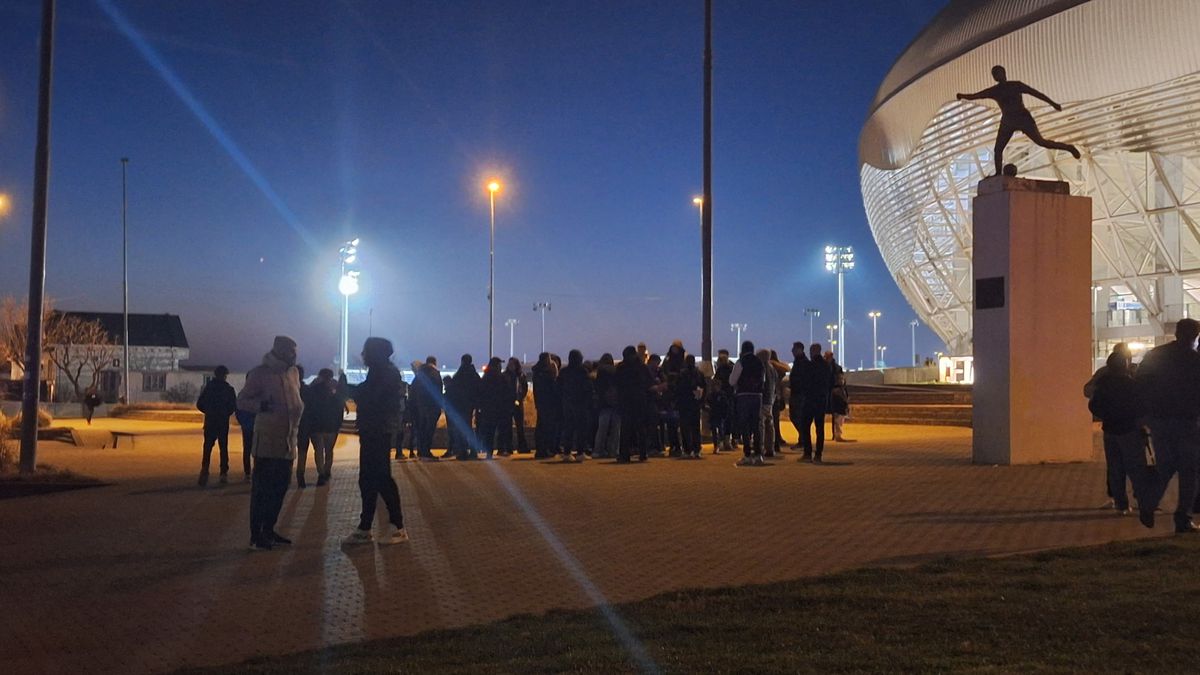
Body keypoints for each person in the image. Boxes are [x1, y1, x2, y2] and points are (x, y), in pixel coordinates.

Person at [1134, 318, 1200, 533]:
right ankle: (1183, 517)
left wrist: (1144, 414)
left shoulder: (1156, 355)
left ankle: (1149, 502)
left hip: (1159, 420)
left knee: (1166, 466)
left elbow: (1140, 383)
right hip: (1186, 420)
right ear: (1195, 335)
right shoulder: (1194, 360)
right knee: (1189, 471)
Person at [237, 336, 303, 551]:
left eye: (296, 351)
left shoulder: (293, 373)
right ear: (280, 351)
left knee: (280, 489)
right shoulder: (260, 373)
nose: (295, 355)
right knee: (262, 491)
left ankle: (270, 529)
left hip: (288, 441)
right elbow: (242, 400)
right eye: (292, 351)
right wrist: (261, 405)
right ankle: (256, 535)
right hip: (267, 442)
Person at [957, 65, 1080, 176]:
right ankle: (998, 173)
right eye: (994, 74)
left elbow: (1036, 93)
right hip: (1008, 121)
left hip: (1022, 118)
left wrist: (1053, 103)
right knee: (998, 149)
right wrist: (962, 96)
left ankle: (1069, 148)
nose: (996, 76)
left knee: (1041, 142)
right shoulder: (994, 90)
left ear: (1004, 73)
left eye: (998, 73)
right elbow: (976, 95)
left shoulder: (1015, 85)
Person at [343, 337, 408, 545]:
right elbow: (369, 392)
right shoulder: (380, 371)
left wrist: (348, 390)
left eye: (366, 351)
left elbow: (372, 396)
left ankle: (397, 526)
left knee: (381, 478)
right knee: (367, 479)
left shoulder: (386, 373)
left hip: (379, 430)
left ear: (376, 353)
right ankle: (365, 527)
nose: (363, 355)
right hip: (372, 430)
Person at [1089, 352, 1148, 516]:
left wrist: (1106, 415)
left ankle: (1121, 505)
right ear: (1125, 365)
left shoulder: (1104, 384)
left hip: (1110, 429)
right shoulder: (1131, 384)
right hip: (1129, 429)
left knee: (1115, 469)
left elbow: (1093, 405)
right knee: (1136, 468)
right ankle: (1144, 502)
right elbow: (1141, 405)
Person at [196, 365, 238, 486]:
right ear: (225, 375)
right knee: (223, 448)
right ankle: (223, 473)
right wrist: (225, 413)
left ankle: (204, 471)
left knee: (207, 448)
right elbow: (233, 406)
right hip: (222, 422)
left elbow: (200, 404)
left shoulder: (208, 388)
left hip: (210, 421)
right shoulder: (228, 389)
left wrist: (208, 412)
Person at [616, 345, 657, 463]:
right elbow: (649, 384)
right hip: (640, 401)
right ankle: (643, 453)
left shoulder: (621, 368)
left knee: (626, 429)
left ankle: (625, 454)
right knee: (641, 429)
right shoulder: (642, 367)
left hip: (626, 401)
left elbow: (617, 384)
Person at [728, 341, 766, 466]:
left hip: (743, 395)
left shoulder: (741, 362)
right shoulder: (759, 362)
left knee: (745, 425)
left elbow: (732, 381)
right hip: (757, 396)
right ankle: (759, 454)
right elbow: (763, 379)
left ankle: (747, 454)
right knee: (756, 425)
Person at [307, 368, 345, 486]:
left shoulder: (313, 389)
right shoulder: (335, 390)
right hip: (331, 427)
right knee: (329, 451)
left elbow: (309, 409)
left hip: (317, 426)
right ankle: (327, 471)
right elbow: (339, 408)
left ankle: (321, 473)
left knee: (318, 451)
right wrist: (338, 424)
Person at [799, 343, 832, 463]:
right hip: (821, 399)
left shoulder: (809, 365)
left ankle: (807, 453)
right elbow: (830, 382)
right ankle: (818, 454)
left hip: (809, 399)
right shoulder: (826, 366)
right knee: (820, 427)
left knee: (805, 426)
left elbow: (804, 382)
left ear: (812, 351)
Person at [445, 354, 481, 460]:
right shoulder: (474, 375)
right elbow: (479, 388)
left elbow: (453, 389)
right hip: (470, 405)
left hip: (460, 405)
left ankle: (463, 451)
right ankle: (473, 451)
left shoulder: (459, 375)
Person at [558, 349, 592, 462]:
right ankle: (580, 452)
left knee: (569, 428)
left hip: (567, 403)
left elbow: (558, 387)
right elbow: (588, 388)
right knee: (581, 429)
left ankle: (567, 453)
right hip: (580, 404)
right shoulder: (583, 371)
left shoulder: (563, 372)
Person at [476, 357, 511, 460]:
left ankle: (489, 452)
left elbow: (480, 393)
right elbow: (507, 393)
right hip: (499, 409)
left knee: (489, 432)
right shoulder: (501, 378)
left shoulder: (485, 377)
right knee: (501, 430)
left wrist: (480, 406)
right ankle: (501, 449)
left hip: (487, 409)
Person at [675, 354, 707, 458]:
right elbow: (704, 388)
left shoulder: (682, 374)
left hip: (685, 404)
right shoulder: (699, 374)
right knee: (695, 428)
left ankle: (688, 450)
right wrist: (701, 401)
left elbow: (678, 389)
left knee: (685, 428)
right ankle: (697, 449)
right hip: (695, 403)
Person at [411, 356, 443, 461]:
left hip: (420, 406)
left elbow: (413, 390)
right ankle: (426, 452)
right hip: (432, 406)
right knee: (429, 430)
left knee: (422, 429)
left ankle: (421, 451)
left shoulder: (419, 374)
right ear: (435, 363)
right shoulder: (435, 374)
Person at [532, 352, 561, 459]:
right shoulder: (547, 372)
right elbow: (553, 387)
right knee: (548, 428)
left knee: (540, 427)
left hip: (540, 403)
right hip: (549, 404)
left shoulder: (537, 372)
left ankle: (541, 449)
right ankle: (547, 449)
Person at [593, 353, 621, 458]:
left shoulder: (600, 371)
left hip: (604, 404)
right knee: (616, 429)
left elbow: (598, 387)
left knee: (602, 429)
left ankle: (598, 450)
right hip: (616, 403)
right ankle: (613, 450)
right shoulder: (616, 370)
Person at [500, 357, 530, 455]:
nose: (510, 366)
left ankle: (522, 446)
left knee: (520, 427)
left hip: (518, 403)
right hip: (507, 404)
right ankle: (508, 447)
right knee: (507, 427)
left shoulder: (521, 376)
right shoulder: (504, 376)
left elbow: (524, 389)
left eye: (513, 364)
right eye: (510, 364)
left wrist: (519, 398)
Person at [708, 349, 734, 453]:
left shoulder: (723, 369)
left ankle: (722, 442)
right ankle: (726, 442)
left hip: (723, 398)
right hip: (726, 397)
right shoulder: (731, 367)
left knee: (724, 421)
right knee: (727, 420)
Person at [826, 352, 853, 442]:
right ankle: (836, 434)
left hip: (833, 393)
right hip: (832, 393)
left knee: (837, 414)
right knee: (837, 414)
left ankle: (836, 434)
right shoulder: (835, 368)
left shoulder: (832, 368)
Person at [757, 349, 779, 458]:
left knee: (760, 424)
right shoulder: (772, 369)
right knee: (769, 424)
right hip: (770, 399)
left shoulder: (762, 368)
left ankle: (760, 447)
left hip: (763, 399)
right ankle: (770, 447)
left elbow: (761, 383)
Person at [787, 342, 807, 448]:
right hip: (796, 393)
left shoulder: (802, 362)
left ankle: (803, 439)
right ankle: (802, 439)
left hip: (799, 394)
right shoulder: (799, 361)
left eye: (794, 349)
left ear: (800, 349)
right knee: (796, 416)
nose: (792, 351)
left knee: (796, 416)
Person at [235, 407, 256, 481]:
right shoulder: (259, 396)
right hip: (256, 427)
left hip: (247, 426)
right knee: (256, 449)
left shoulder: (244, 397)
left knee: (247, 449)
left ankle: (248, 472)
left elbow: (238, 410)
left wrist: (243, 422)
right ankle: (254, 471)